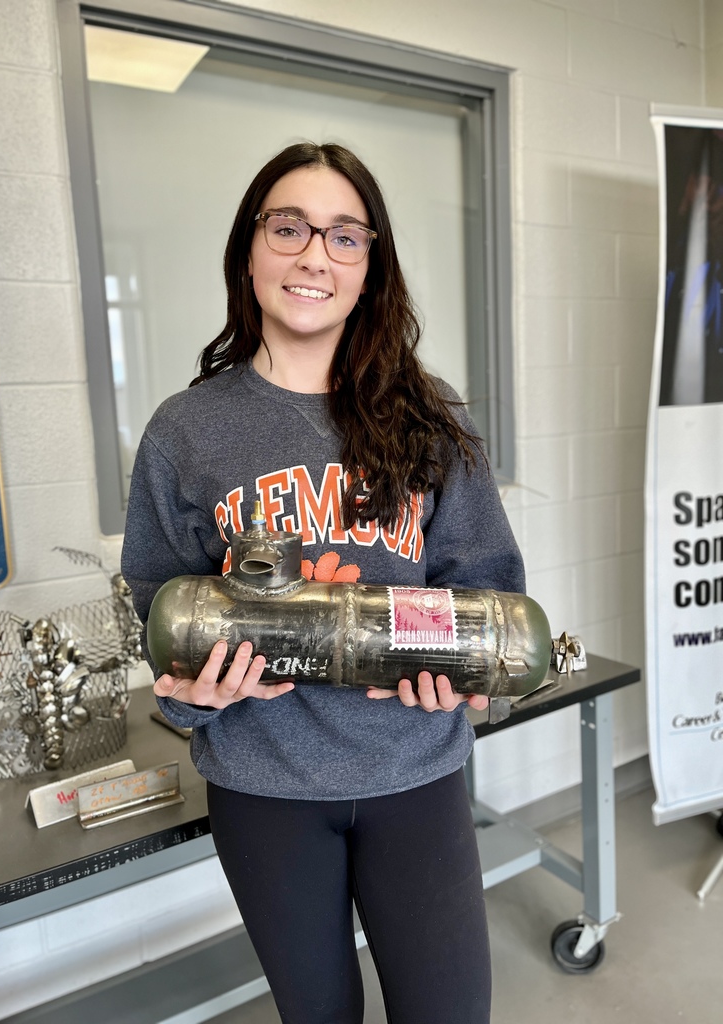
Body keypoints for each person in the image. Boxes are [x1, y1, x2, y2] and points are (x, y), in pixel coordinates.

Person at [121, 141, 525, 1024]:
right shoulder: (186, 432)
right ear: (249, 249)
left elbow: (483, 592)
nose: (315, 254)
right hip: (264, 786)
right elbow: (151, 615)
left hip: (414, 775)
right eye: (290, 227)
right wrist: (193, 697)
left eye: (345, 236)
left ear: (370, 266)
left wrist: (466, 687)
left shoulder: (427, 414)